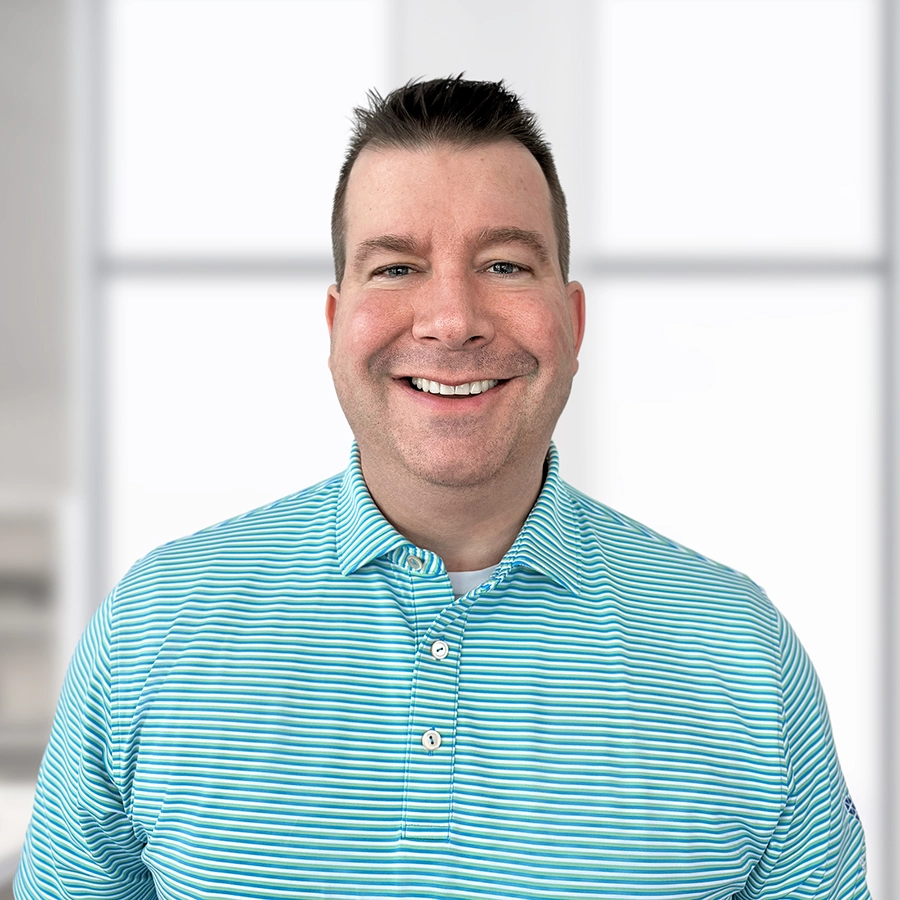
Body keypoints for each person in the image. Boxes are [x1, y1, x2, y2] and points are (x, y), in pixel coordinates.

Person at [16, 76, 869, 899]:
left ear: (573, 322)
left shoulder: (741, 655)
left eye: (503, 264)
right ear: (334, 321)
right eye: (394, 268)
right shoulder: (155, 627)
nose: (451, 319)